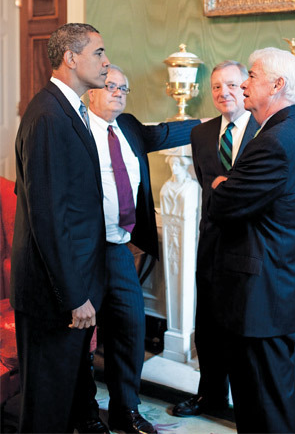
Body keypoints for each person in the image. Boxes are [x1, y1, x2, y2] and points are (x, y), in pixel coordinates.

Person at [82, 65, 201, 434]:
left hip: (118, 246)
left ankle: (126, 410)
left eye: (124, 88)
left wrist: (218, 120)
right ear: (89, 91)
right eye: (110, 86)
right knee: (80, 337)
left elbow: (163, 133)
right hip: (83, 251)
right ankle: (85, 413)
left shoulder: (129, 126)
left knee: (131, 329)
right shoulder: (75, 129)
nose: (118, 92)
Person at [208, 47, 295, 434]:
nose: (243, 83)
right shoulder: (288, 131)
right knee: (284, 398)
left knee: (265, 407)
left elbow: (222, 205)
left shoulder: (273, 141)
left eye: (251, 76)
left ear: (277, 85)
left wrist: (221, 186)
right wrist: (227, 186)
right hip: (274, 290)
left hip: (260, 297)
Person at [10, 23, 110, 434]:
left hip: (67, 289)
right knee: (45, 412)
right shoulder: (50, 115)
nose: (107, 62)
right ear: (71, 58)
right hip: (55, 297)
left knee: (65, 403)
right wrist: (74, 297)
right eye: (100, 53)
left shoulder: (66, 108)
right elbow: (49, 217)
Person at [172, 60, 258, 419]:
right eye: (217, 87)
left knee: (245, 329)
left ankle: (251, 405)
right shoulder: (201, 134)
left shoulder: (265, 130)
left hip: (251, 248)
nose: (225, 93)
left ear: (247, 88)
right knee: (207, 327)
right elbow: (207, 185)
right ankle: (209, 396)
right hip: (211, 245)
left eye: (233, 85)